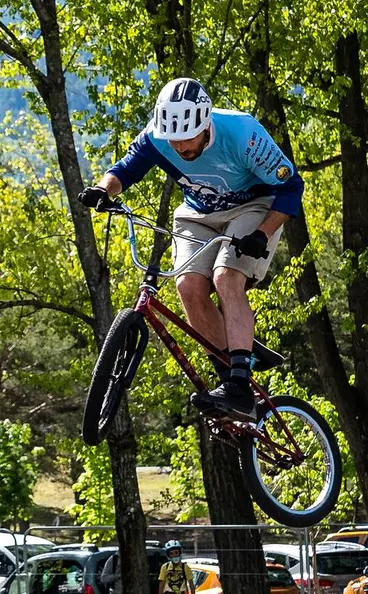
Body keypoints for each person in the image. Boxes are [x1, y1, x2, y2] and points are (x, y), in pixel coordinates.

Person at [79, 77, 304, 419]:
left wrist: (262, 233)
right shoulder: (157, 136)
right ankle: (230, 381)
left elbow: (291, 187)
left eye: (188, 138)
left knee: (226, 277)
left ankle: (240, 385)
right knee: (188, 287)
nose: (181, 147)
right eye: (174, 139)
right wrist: (102, 189)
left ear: (205, 124)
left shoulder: (242, 133)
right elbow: (127, 168)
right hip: (197, 213)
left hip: (253, 207)